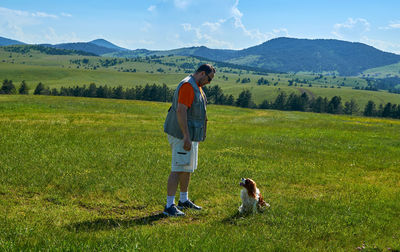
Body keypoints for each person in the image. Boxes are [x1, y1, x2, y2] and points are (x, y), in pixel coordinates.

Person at [163, 64, 215, 216]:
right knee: (178, 168)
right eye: (209, 79)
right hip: (181, 134)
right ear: (202, 73)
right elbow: (181, 110)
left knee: (187, 167)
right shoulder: (188, 86)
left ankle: (183, 200)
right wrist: (186, 136)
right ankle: (169, 206)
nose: (209, 83)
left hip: (190, 135)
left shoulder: (196, 86)